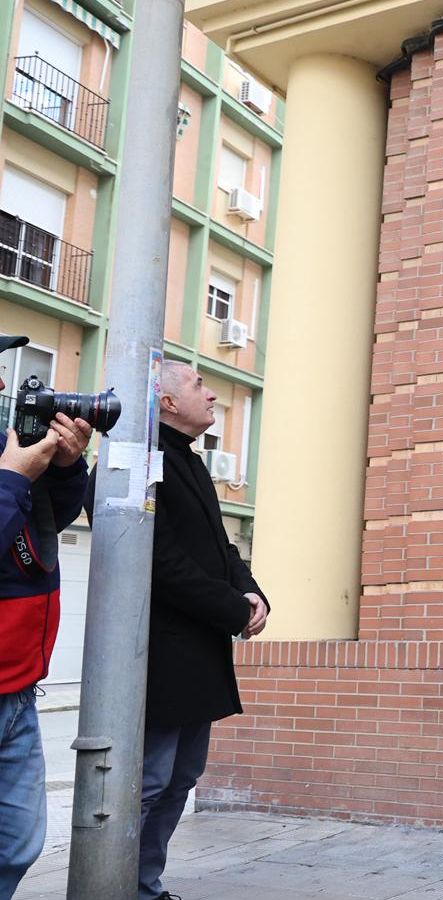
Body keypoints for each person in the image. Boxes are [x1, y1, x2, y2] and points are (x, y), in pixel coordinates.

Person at [132, 361, 270, 900]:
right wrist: (234, 610)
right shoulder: (143, 460)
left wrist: (252, 594)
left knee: (181, 780)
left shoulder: (189, 461)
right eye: (198, 386)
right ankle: (115, 884)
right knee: (147, 785)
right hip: (160, 659)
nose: (212, 395)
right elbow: (160, 562)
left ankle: (145, 886)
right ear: (166, 402)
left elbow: (220, 546)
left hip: (200, 656)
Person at [0, 332, 92, 900]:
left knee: (17, 841)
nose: (3, 385)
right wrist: (13, 477)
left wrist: (61, 468)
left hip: (17, 690)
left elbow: (44, 529)